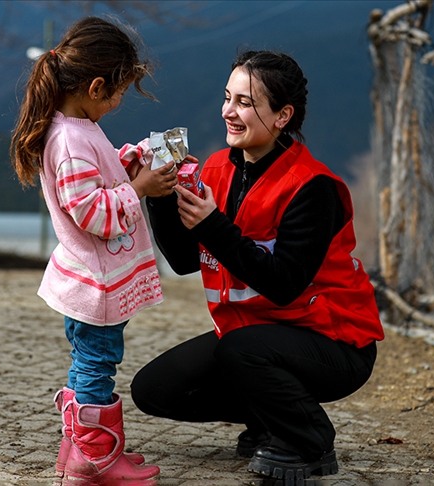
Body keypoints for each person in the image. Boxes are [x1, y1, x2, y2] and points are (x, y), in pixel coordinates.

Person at [131, 50, 384, 485]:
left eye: (245, 103)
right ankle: (273, 420)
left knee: (239, 349)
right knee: (153, 390)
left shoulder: (313, 187)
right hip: (252, 339)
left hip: (335, 343)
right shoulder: (213, 168)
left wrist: (213, 225)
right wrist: (158, 195)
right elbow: (183, 259)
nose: (229, 111)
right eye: (228, 97)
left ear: (283, 115)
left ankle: (309, 440)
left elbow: (284, 284)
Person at [9, 16, 177, 485]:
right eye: (119, 91)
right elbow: (91, 212)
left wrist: (129, 163)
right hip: (94, 283)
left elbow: (93, 181)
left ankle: (79, 450)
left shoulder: (75, 127)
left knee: (90, 363)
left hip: (91, 279)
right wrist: (139, 188)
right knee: (97, 366)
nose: (119, 102)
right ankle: (95, 460)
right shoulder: (70, 138)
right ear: (96, 85)